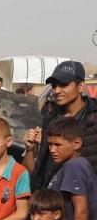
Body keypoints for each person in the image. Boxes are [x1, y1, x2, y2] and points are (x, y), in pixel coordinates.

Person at [24, 61, 97, 190]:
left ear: (80, 86)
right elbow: (43, 164)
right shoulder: (51, 117)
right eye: (54, 85)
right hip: (51, 199)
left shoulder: (93, 117)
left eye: (63, 85)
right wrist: (30, 149)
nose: (57, 90)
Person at [45, 118, 97, 220]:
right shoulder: (69, 166)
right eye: (50, 145)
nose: (52, 150)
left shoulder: (74, 166)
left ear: (77, 143)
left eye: (57, 145)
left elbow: (81, 211)